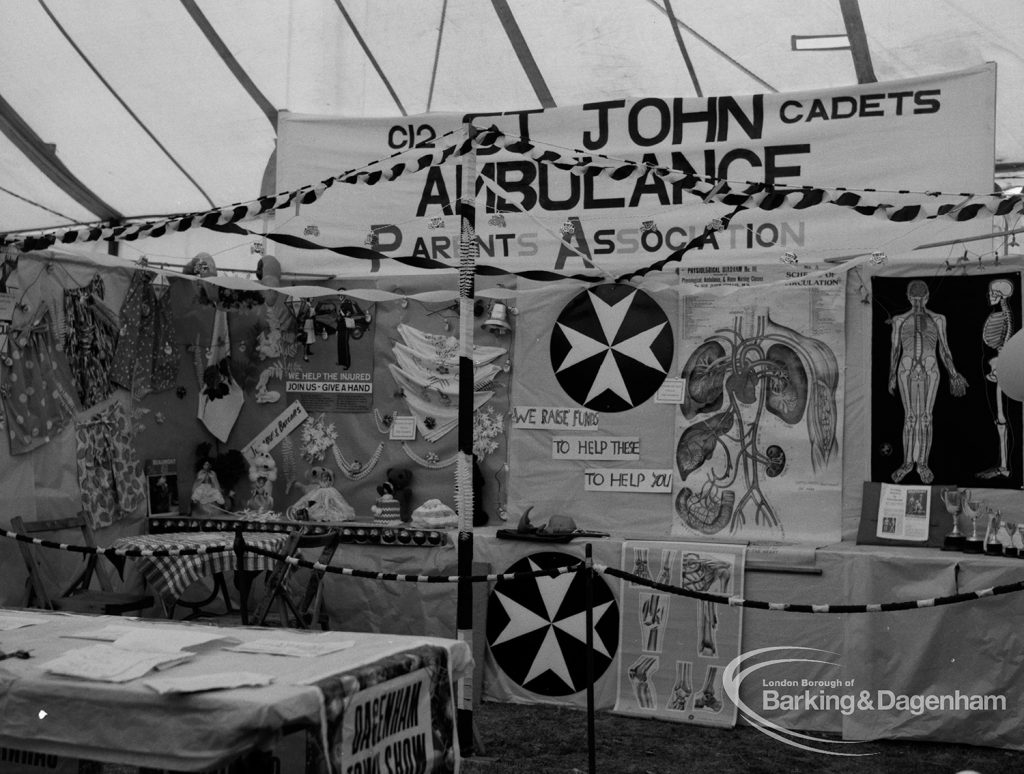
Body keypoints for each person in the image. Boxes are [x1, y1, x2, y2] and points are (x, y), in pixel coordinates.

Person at [888, 279, 968, 484]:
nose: (916, 304)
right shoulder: (898, 320)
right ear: (908, 297)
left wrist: (953, 373)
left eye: (920, 300)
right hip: (905, 368)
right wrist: (891, 376)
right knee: (910, 418)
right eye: (913, 300)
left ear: (926, 298)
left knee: (925, 418)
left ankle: (922, 464)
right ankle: (907, 463)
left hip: (930, 367)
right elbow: (895, 349)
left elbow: (944, 348)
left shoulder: (939, 319)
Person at [978, 278, 1017, 479]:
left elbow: (1007, 340)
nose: (990, 297)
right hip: (998, 364)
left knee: (1001, 418)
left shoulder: (1005, 317)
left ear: (1001, 296)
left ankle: (1004, 467)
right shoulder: (1003, 315)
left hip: (1001, 367)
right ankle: (1002, 465)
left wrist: (1001, 362)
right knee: (999, 418)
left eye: (994, 294)